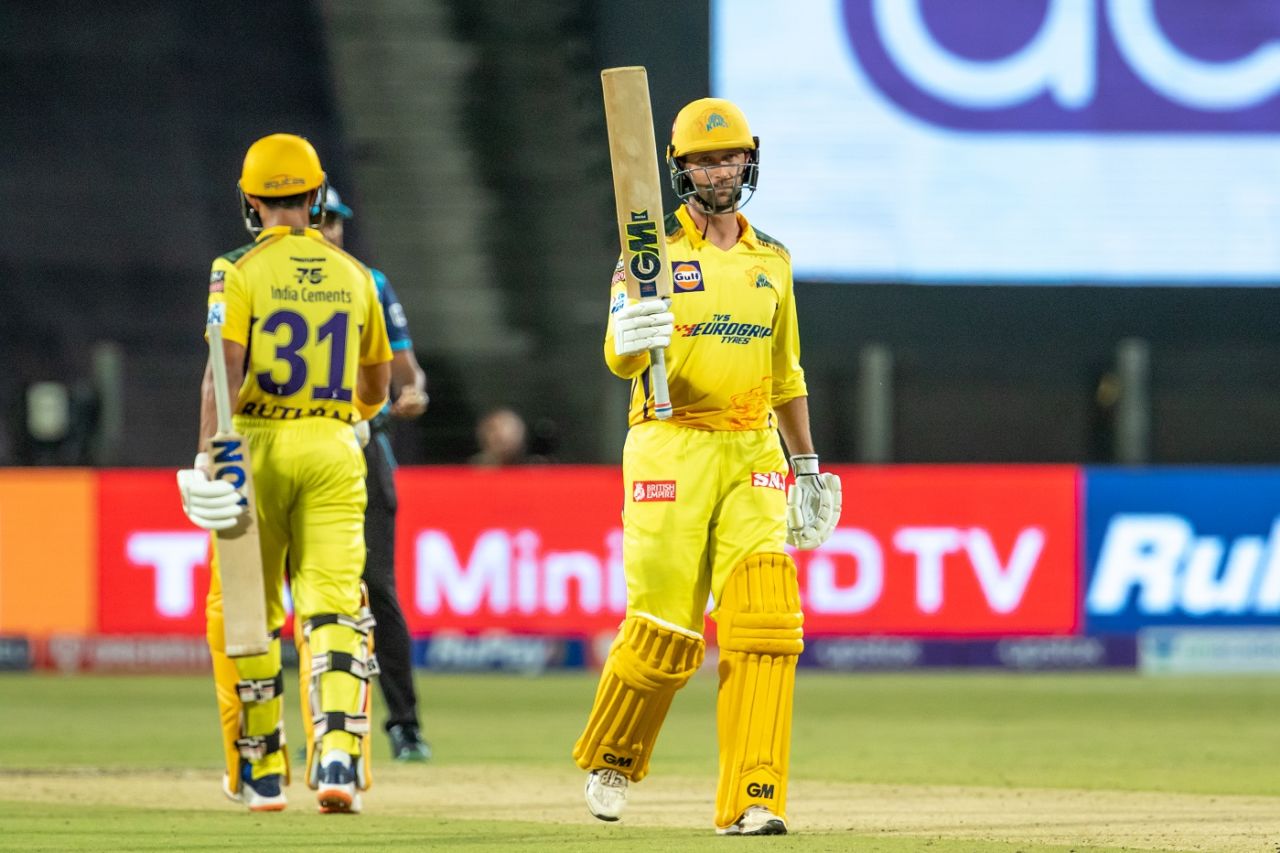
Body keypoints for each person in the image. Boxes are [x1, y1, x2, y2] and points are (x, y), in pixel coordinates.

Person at [571, 98, 842, 836]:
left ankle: (755, 795)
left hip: (753, 446)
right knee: (666, 626)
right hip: (669, 440)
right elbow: (618, 357)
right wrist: (629, 328)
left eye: (727, 159)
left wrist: (807, 463)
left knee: (766, 620)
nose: (717, 172)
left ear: (747, 162)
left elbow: (786, 373)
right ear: (679, 167)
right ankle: (614, 757)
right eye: (702, 160)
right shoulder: (651, 252)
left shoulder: (772, 260)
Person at [176, 133, 392, 814]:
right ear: (316, 194)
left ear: (250, 199)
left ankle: (262, 769)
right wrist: (340, 414)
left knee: (247, 610)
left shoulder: (235, 269)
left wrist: (211, 453)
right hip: (332, 447)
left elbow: (224, 369)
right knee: (333, 603)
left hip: (256, 445)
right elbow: (377, 382)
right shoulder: (356, 274)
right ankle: (336, 755)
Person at [316, 186, 433, 762]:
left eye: (336, 221)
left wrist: (412, 394)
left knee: (378, 589)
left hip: (362, 451)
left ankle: (404, 724)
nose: (330, 231)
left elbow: (408, 374)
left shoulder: (371, 283)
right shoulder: (264, 278)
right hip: (302, 446)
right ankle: (303, 725)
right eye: (321, 219)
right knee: (302, 594)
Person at [469, 407, 540, 466]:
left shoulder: (535, 469)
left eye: (509, 429)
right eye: (493, 430)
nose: (501, 436)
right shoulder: (474, 470)